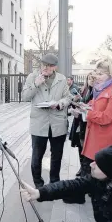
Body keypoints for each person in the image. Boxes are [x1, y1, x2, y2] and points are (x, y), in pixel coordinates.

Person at [21, 54, 71, 188]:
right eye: (43, 64)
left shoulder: (61, 79)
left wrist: (59, 103)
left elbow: (68, 98)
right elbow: (25, 97)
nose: (45, 68)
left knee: (57, 156)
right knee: (37, 156)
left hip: (57, 122)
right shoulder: (32, 77)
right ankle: (38, 185)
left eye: (49, 66)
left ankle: (54, 184)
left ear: (55, 67)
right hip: (39, 123)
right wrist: (35, 85)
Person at [76, 56, 112, 177]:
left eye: (101, 74)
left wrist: (88, 113)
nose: (97, 76)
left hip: (107, 140)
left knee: (101, 175)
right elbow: (96, 106)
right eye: (96, 73)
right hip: (96, 137)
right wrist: (85, 106)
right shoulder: (101, 89)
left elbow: (106, 117)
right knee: (90, 174)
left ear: (110, 74)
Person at [69, 72, 94, 178]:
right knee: (80, 145)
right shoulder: (84, 90)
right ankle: (82, 167)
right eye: (89, 79)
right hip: (80, 122)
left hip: (88, 122)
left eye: (93, 79)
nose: (91, 81)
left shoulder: (96, 92)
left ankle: (87, 170)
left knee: (87, 147)